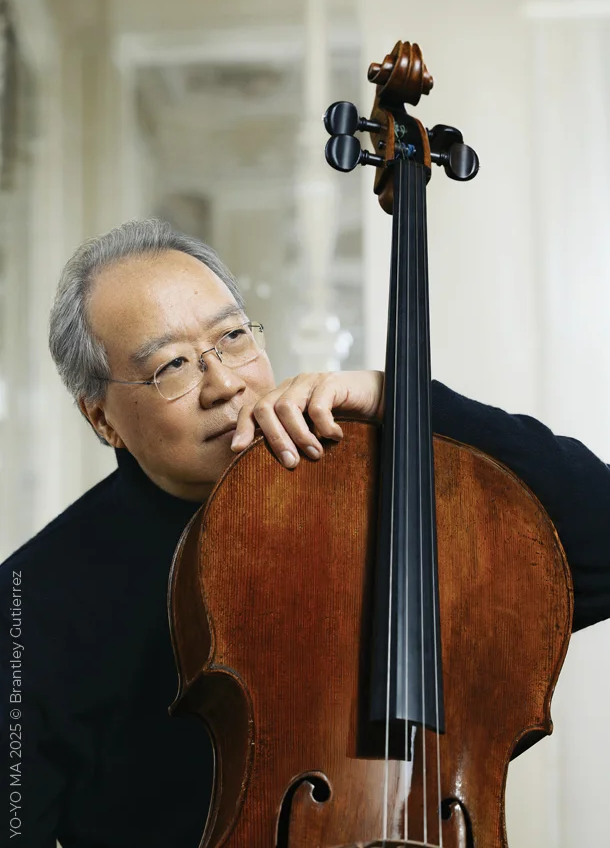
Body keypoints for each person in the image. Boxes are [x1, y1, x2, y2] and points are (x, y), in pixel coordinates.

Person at [1, 219, 609, 848]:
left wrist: (396, 398)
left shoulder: (378, 490)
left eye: (234, 337)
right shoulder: (28, 607)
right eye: (172, 366)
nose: (226, 384)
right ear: (102, 419)